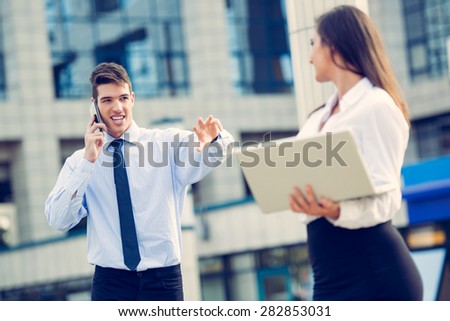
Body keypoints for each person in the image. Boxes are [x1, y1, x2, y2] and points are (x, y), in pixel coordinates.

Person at [45, 62, 234, 301]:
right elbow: (58, 219)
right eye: (107, 100)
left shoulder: (165, 144)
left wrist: (214, 140)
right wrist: (88, 162)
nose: (117, 107)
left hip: (163, 282)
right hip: (110, 284)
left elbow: (220, 148)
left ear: (132, 99)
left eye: (123, 98)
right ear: (94, 106)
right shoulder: (78, 162)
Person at [288, 5, 423, 300]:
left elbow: (388, 199)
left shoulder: (377, 107)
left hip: (373, 272)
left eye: (314, 44)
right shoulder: (316, 119)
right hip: (329, 274)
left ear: (333, 46)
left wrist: (337, 210)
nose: (309, 57)